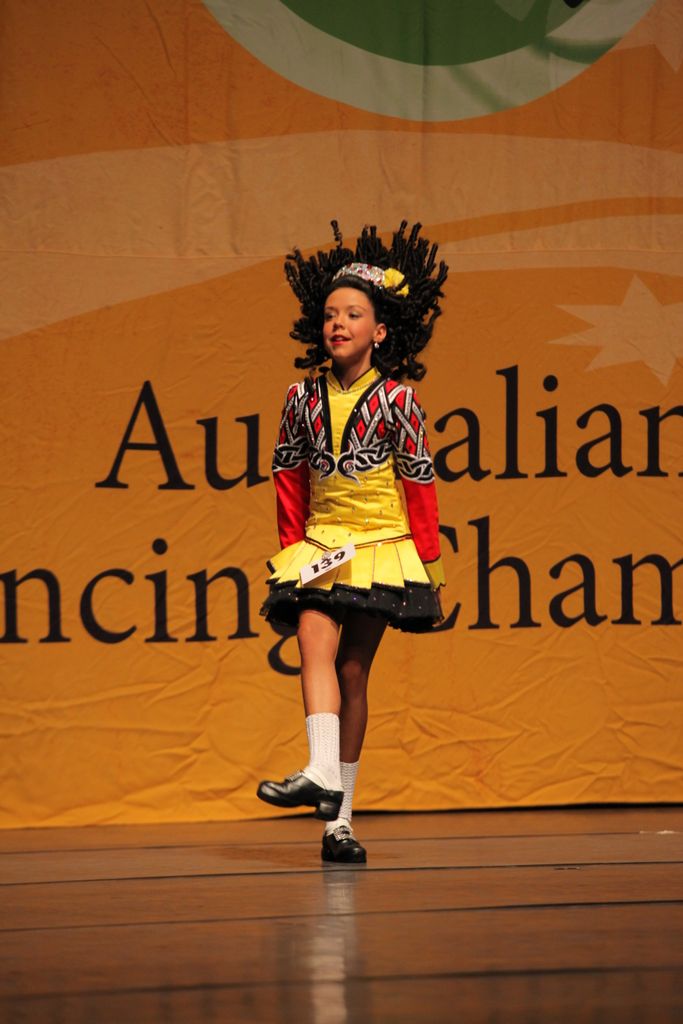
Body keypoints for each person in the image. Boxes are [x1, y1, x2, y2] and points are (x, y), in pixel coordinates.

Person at [257, 221, 448, 863]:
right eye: (331, 314)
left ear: (381, 331)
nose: (339, 324)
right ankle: (319, 769)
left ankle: (339, 823)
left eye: (354, 314)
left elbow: (419, 483)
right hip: (322, 543)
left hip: (381, 544)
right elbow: (289, 479)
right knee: (312, 638)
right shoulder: (300, 398)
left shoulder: (398, 400)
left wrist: (429, 564)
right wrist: (295, 551)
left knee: (353, 670)